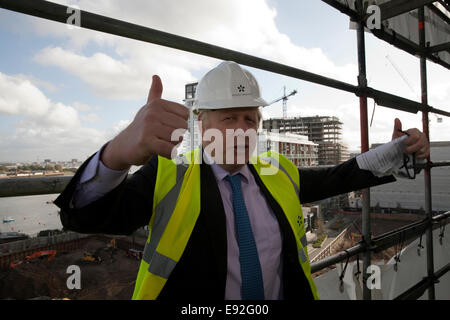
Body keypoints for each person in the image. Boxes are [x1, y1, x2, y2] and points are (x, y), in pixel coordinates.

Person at [54, 61, 430, 300]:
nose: (240, 130)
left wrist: (396, 151)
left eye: (249, 119)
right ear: (202, 124)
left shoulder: (276, 170)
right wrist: (117, 154)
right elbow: (86, 217)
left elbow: (338, 177)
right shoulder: (169, 173)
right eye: (228, 118)